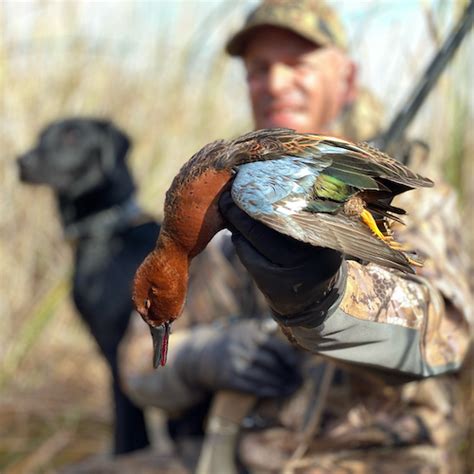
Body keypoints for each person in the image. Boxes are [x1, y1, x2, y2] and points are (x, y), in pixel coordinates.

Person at [121, 1, 472, 472]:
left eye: (297, 64)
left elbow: (448, 335)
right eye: (259, 69)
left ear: (347, 80)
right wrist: (206, 356)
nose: (276, 82)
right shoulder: (217, 215)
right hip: (243, 458)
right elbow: (137, 368)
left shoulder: (409, 198)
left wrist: (325, 300)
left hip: (373, 459)